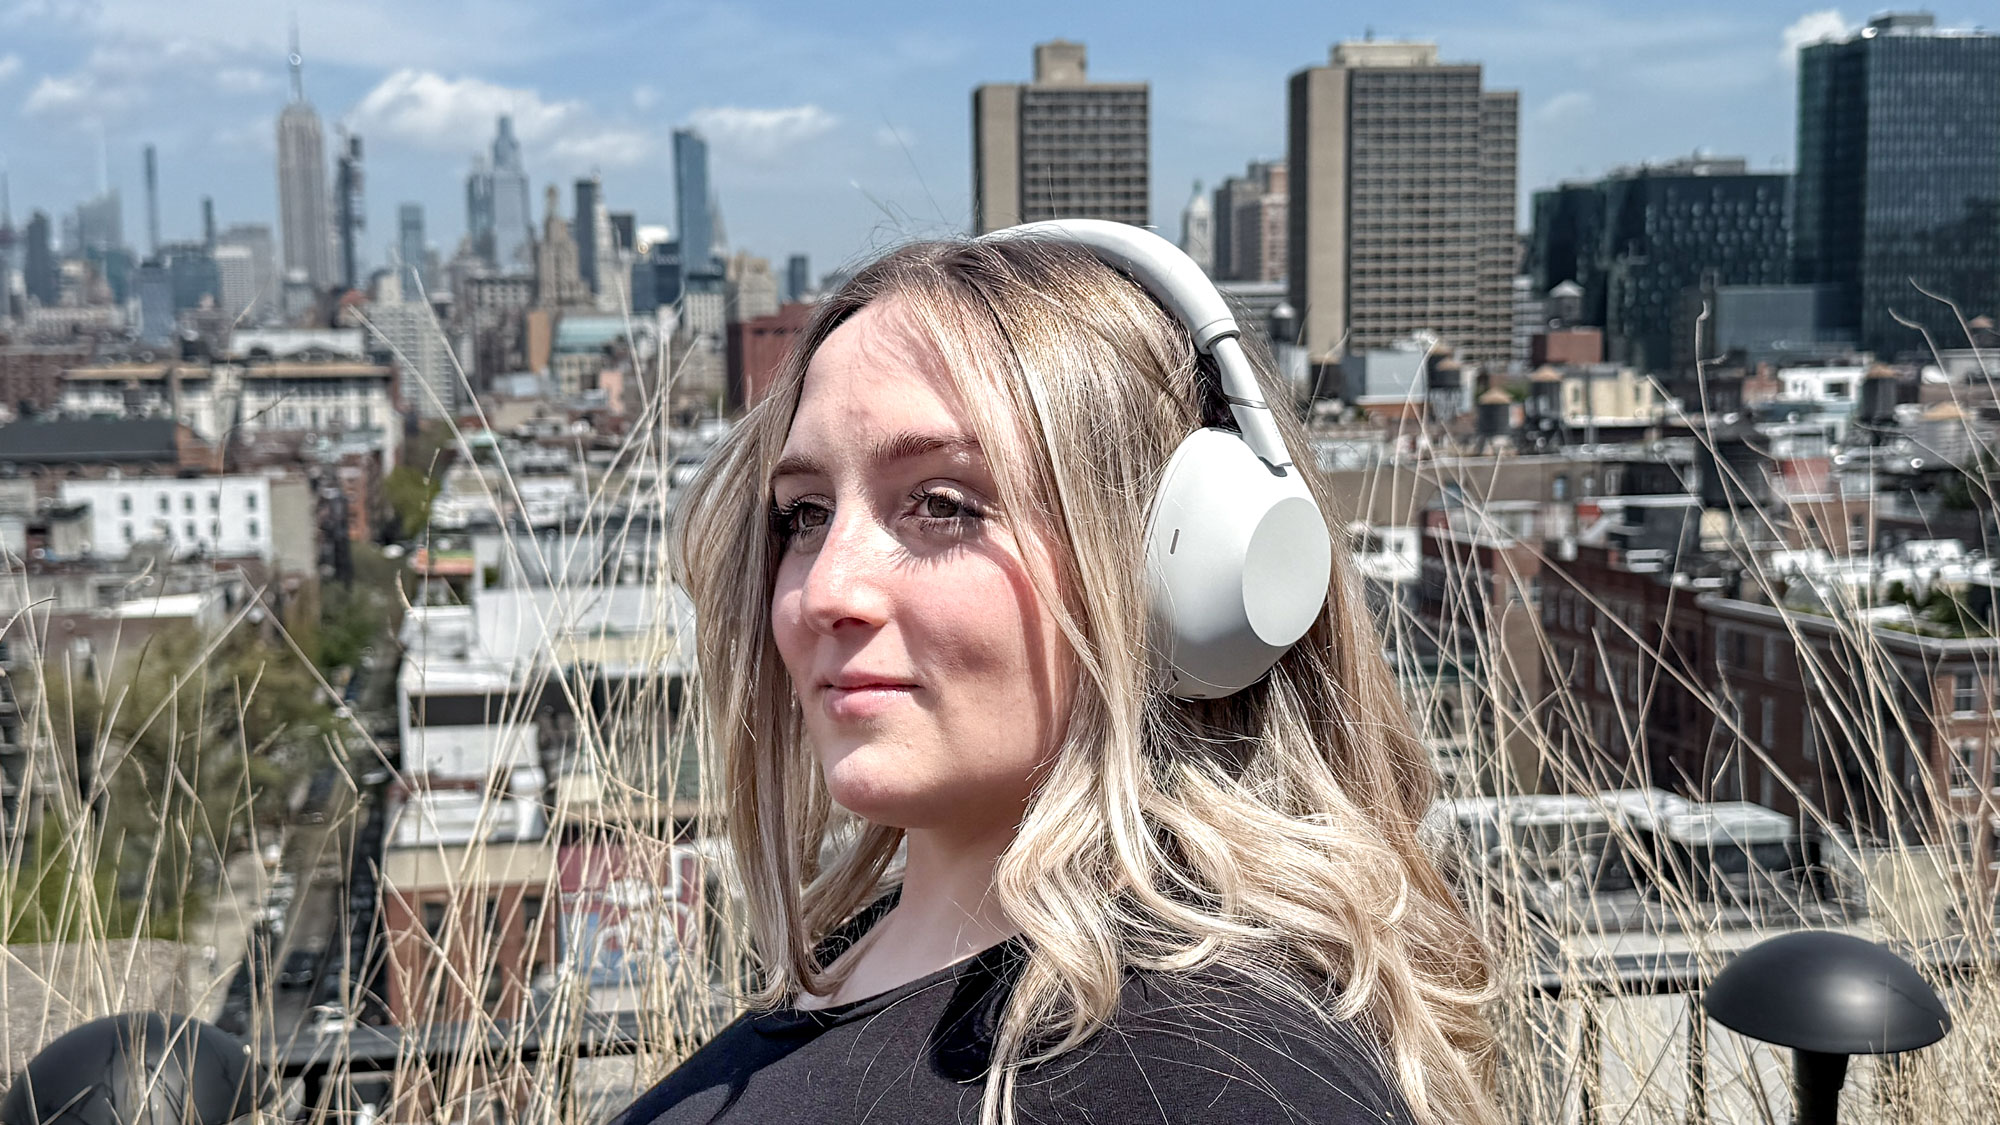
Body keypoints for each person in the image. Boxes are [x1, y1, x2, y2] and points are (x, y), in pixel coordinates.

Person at [619, 228, 1500, 1125]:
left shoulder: (1211, 1078)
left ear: (1176, 569)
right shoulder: (854, 966)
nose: (824, 590)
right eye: (805, 513)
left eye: (941, 505)